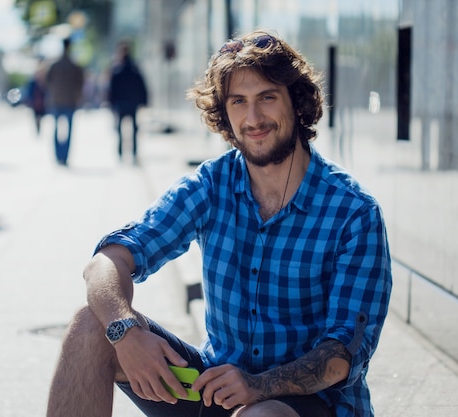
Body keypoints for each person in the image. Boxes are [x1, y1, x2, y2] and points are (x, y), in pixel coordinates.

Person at [46, 30, 392, 417]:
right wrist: (124, 331)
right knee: (90, 326)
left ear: (296, 102)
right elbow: (106, 263)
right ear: (223, 113)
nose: (253, 118)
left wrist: (258, 386)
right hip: (214, 389)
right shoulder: (212, 184)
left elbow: (341, 356)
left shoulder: (353, 212)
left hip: (309, 402)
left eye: (267, 98)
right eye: (238, 102)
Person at [45, 37, 85, 165]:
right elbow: (81, 84)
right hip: (70, 102)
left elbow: (47, 82)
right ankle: (65, 156)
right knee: (68, 130)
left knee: (57, 129)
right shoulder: (74, 66)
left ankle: (58, 155)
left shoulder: (55, 65)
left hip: (56, 101)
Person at [107, 41, 148, 163]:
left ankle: (121, 153)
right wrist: (143, 101)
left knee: (121, 129)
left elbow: (112, 89)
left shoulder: (117, 69)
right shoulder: (134, 68)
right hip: (132, 103)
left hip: (121, 103)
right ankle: (133, 153)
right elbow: (142, 86)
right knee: (133, 129)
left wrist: (111, 103)